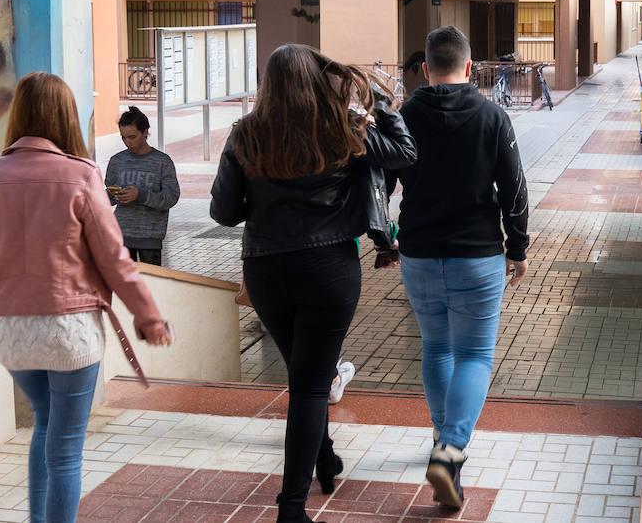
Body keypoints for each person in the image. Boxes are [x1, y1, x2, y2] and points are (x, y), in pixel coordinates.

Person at [210, 44, 416, 523]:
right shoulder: (341, 127)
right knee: (309, 385)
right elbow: (405, 153)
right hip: (328, 267)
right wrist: (379, 103)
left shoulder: (246, 133)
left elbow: (224, 211)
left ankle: (324, 458)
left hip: (265, 268)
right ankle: (292, 508)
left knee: (306, 373)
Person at [0, 72, 173, 523]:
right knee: (67, 448)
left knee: (45, 420)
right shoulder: (80, 174)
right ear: (65, 116)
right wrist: (149, 316)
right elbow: (115, 259)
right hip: (68, 330)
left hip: (9, 332)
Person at [388, 26, 529, 510]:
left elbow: (380, 182)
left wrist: (384, 237)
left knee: (436, 346)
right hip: (477, 255)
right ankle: (449, 451)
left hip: (419, 253)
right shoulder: (492, 116)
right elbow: (514, 187)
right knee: (474, 355)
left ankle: (440, 435)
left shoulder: (403, 116)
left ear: (425, 69)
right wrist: (518, 247)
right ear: (469, 67)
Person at [106, 106, 180, 265]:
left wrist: (141, 195)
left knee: (151, 280)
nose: (128, 142)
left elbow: (171, 197)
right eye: (123, 137)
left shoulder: (162, 162)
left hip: (150, 237)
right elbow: (108, 197)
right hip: (121, 234)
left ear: (145, 132)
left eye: (132, 137)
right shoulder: (116, 161)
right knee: (123, 280)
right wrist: (112, 195)